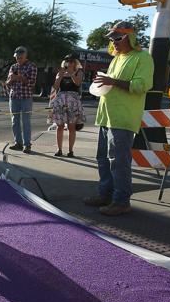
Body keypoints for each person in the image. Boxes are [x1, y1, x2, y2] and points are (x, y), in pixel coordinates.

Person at [83, 21, 154, 216]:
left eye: (117, 38)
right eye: (111, 38)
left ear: (130, 37)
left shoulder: (143, 58)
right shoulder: (116, 58)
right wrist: (104, 83)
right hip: (106, 116)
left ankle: (121, 201)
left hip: (123, 119)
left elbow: (142, 85)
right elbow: (111, 84)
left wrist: (112, 81)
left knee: (119, 161)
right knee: (103, 159)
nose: (113, 42)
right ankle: (105, 194)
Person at [50, 55, 85, 157]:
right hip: (61, 100)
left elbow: (78, 83)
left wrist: (71, 74)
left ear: (75, 62)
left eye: (70, 61)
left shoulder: (79, 71)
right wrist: (60, 76)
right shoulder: (61, 72)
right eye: (66, 61)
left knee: (71, 127)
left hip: (73, 101)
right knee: (59, 126)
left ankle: (70, 150)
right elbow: (55, 87)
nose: (68, 63)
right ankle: (59, 149)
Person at [6, 46, 37, 154]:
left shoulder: (31, 66)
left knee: (26, 122)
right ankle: (18, 143)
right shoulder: (13, 67)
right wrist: (10, 80)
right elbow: (8, 83)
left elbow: (31, 83)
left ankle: (27, 145)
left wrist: (18, 77)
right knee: (15, 121)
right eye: (17, 57)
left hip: (26, 98)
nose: (18, 59)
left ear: (25, 56)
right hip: (14, 97)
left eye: (20, 57)